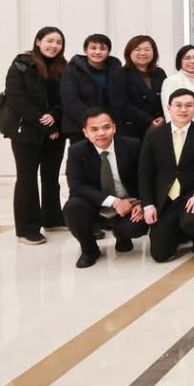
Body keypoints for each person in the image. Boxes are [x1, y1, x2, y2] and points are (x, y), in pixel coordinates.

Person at [0, 26, 67, 244]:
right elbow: (16, 99)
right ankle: (26, 229)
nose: (54, 45)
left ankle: (52, 219)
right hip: (26, 132)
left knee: (51, 177)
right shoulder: (21, 65)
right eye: (49, 40)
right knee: (27, 179)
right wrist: (43, 122)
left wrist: (54, 115)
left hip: (53, 131)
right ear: (38, 42)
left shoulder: (62, 68)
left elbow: (64, 98)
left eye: (58, 42)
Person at [139, 88, 194, 262]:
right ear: (169, 108)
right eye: (178, 105)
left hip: (191, 195)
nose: (184, 109)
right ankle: (178, 231)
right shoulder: (154, 135)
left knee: (191, 222)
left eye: (189, 105)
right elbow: (145, 172)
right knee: (160, 255)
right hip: (165, 199)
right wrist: (148, 205)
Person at [62, 108, 149, 268]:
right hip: (96, 203)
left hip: (128, 203)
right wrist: (114, 202)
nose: (101, 133)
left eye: (106, 127)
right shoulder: (76, 151)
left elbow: (146, 178)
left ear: (114, 128)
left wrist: (143, 202)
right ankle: (89, 249)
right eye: (94, 129)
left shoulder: (132, 146)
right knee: (72, 208)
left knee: (136, 227)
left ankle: (123, 236)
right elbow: (77, 186)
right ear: (85, 132)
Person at [60, 33, 122, 141]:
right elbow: (70, 100)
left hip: (107, 127)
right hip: (79, 127)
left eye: (102, 49)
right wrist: (90, 122)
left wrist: (107, 122)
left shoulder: (115, 70)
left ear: (108, 52)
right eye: (93, 48)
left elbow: (118, 99)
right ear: (85, 50)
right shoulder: (72, 70)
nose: (97, 52)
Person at [110, 35, 166, 140]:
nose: (143, 53)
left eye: (147, 49)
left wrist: (163, 117)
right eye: (138, 49)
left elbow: (167, 98)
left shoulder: (160, 73)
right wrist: (149, 121)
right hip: (131, 131)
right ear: (129, 52)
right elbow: (121, 105)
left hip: (159, 129)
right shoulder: (120, 74)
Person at [161, 45, 194, 126]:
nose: (192, 61)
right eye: (187, 58)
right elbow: (168, 112)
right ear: (180, 61)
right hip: (185, 129)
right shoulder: (171, 81)